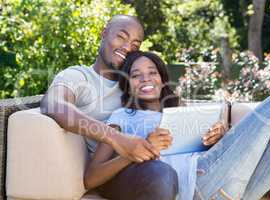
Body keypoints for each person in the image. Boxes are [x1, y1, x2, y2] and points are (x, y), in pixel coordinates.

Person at [85, 50, 270, 200]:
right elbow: (91, 177)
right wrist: (137, 152)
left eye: (152, 72)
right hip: (197, 185)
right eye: (136, 75)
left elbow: (222, 154)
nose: (146, 79)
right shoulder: (121, 117)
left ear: (162, 78)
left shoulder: (183, 110)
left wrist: (220, 138)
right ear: (127, 85)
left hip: (238, 186)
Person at [40, 15, 178, 200]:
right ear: (104, 33)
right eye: (121, 37)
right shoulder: (79, 76)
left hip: (153, 164)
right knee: (160, 174)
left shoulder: (136, 84)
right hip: (115, 173)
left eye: (135, 45)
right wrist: (117, 139)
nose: (127, 47)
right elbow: (54, 104)